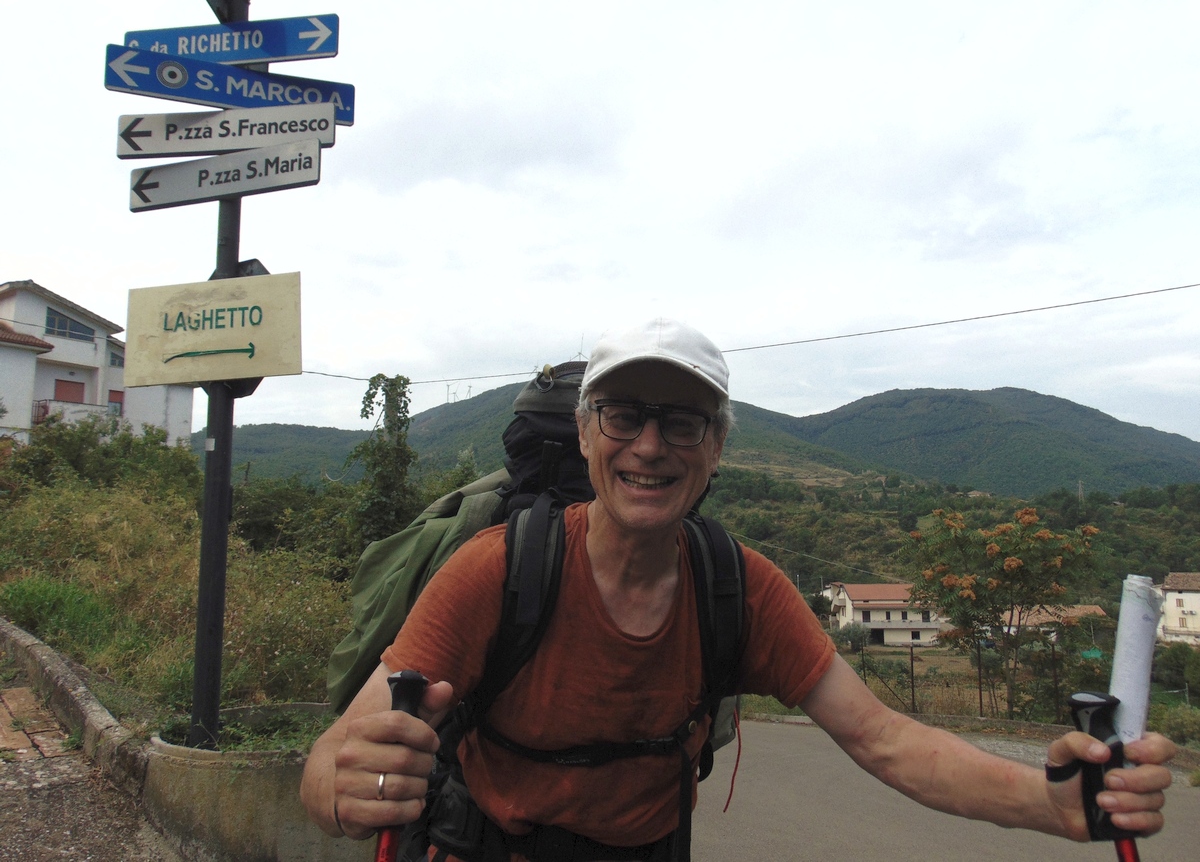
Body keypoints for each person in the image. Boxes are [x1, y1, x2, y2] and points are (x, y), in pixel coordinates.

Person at [301, 318, 1175, 861]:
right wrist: (343, 788)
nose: (650, 445)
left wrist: (1054, 805)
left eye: (681, 421)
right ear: (585, 433)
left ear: (716, 449)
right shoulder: (498, 567)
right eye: (624, 415)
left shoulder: (740, 590)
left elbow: (886, 741)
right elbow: (328, 766)